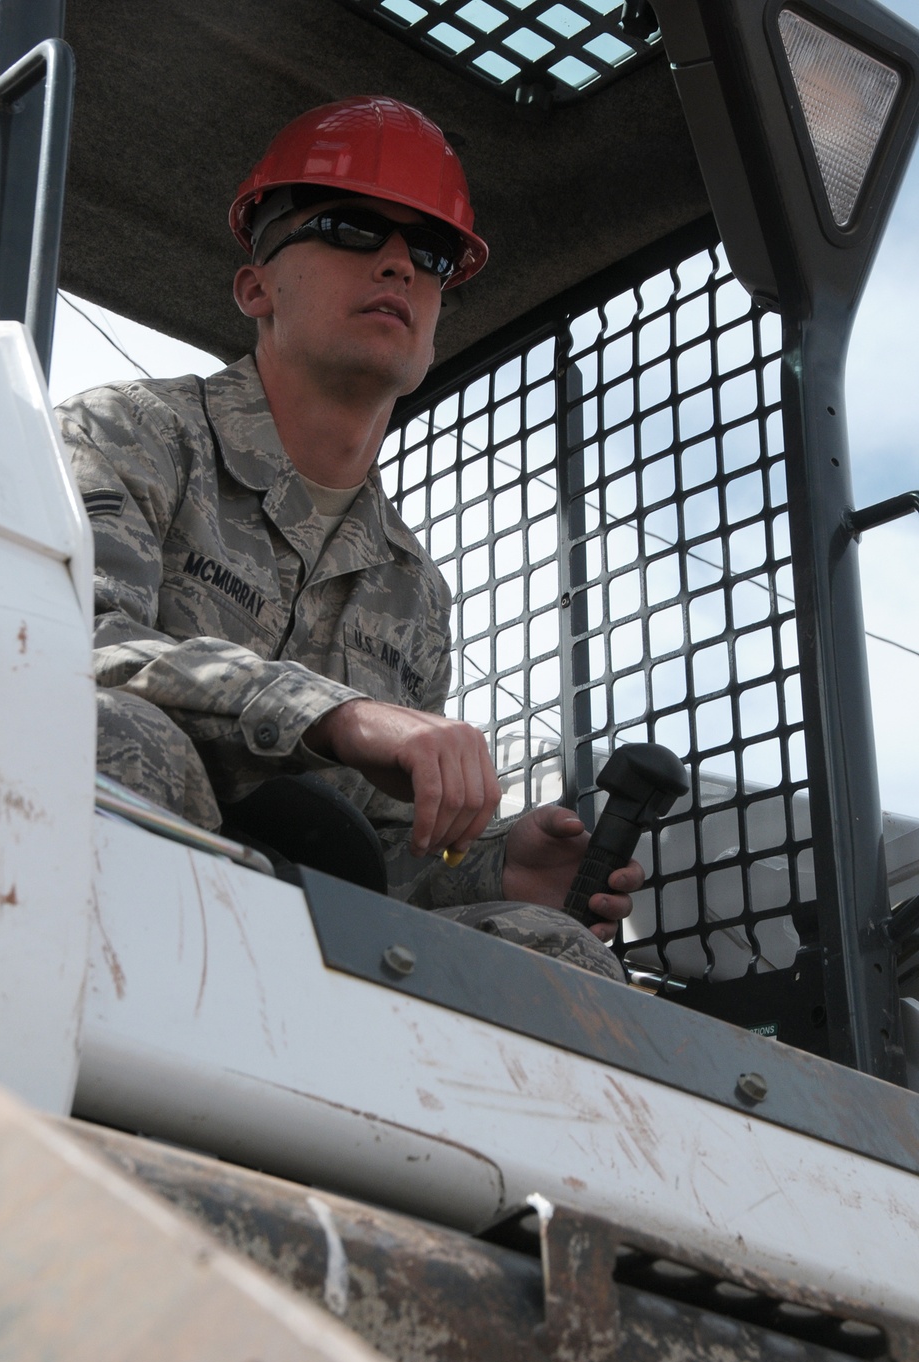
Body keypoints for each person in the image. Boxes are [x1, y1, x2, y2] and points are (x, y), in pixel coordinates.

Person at [57, 96, 643, 982]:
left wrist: (494, 867)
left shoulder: (413, 591)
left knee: (560, 957)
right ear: (257, 285)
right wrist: (336, 714)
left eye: (431, 252)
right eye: (351, 227)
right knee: (123, 733)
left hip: (296, 965)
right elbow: (67, 647)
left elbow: (364, 855)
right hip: (109, 926)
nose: (399, 262)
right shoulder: (132, 435)